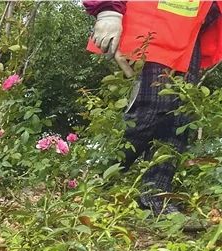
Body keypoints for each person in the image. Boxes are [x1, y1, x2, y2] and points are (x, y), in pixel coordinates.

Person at [86, 0, 222, 216]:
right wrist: (107, 9)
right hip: (150, 23)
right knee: (150, 110)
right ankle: (93, 178)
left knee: (179, 118)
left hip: (189, 31)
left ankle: (156, 196)